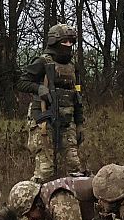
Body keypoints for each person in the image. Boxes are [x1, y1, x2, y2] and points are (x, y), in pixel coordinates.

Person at [16, 23, 86, 183]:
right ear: (55, 42)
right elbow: (21, 82)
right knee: (45, 171)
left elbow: (77, 97)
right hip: (43, 120)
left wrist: (80, 124)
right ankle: (35, 204)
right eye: (65, 41)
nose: (68, 45)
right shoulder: (42, 62)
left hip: (67, 122)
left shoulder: (72, 67)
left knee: (75, 168)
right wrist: (39, 88)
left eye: (71, 42)